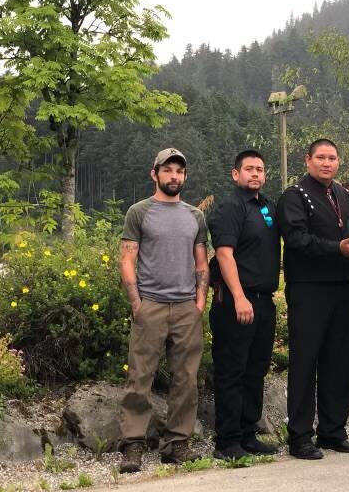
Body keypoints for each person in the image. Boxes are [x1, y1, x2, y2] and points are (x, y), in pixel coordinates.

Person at [276, 138, 349, 460]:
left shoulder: (342, 195)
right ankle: (300, 436)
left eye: (332, 157)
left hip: (341, 287)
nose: (327, 163)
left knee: (339, 361)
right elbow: (297, 239)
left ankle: (333, 431)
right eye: (321, 157)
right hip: (308, 289)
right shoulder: (294, 195)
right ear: (308, 160)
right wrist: (337, 249)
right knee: (305, 362)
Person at [118, 148, 209, 472]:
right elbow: (127, 258)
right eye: (167, 170)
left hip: (186, 307)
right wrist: (137, 304)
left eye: (179, 171)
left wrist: (199, 303)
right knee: (140, 376)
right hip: (151, 305)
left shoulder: (194, 216)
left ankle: (177, 444)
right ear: (154, 173)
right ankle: (133, 445)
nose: (174, 176)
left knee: (186, 378)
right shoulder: (139, 212)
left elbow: (201, 262)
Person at [208, 150, 280, 460]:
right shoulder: (230, 207)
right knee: (231, 371)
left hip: (264, 301)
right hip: (236, 300)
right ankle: (227, 440)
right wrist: (239, 296)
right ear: (235, 174)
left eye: (260, 169)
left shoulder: (266, 206)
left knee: (256, 370)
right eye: (249, 169)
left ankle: (248, 433)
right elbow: (224, 254)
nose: (255, 174)